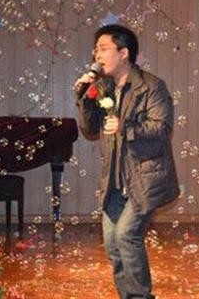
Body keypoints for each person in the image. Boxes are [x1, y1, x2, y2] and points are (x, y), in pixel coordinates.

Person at [74, 24, 180, 299]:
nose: (97, 55)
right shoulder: (102, 87)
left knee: (126, 236)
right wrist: (84, 98)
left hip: (145, 178)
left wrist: (125, 127)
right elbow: (90, 130)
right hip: (114, 179)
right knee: (112, 244)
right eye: (95, 50)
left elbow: (162, 130)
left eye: (103, 49)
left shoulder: (152, 86)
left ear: (124, 53)